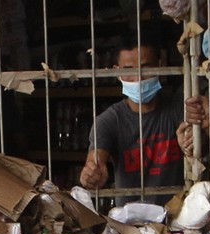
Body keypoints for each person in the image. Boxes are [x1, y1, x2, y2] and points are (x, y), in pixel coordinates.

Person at [78, 36, 190, 201]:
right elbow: (95, 160)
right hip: (129, 223)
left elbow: (193, 138)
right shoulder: (109, 121)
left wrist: (189, 143)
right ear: (117, 72)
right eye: (129, 70)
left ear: (161, 66)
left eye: (145, 68)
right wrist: (91, 173)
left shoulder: (179, 108)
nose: (138, 78)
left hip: (178, 217)